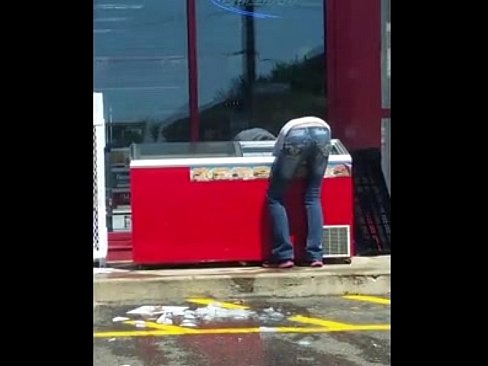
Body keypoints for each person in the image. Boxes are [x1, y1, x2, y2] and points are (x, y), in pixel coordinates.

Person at [263, 116, 332, 269]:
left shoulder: (287, 129)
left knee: (275, 197)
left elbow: (277, 155)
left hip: (296, 135)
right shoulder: (320, 124)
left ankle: (284, 255)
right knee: (313, 196)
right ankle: (315, 255)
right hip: (323, 131)